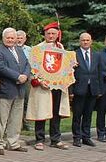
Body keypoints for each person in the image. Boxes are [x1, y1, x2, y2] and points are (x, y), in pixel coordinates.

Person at [27, 22, 73, 150]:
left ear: (57, 34)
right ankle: (39, 139)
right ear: (45, 34)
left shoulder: (60, 48)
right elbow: (33, 67)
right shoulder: (37, 49)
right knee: (41, 112)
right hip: (44, 86)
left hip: (57, 86)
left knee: (56, 112)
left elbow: (64, 66)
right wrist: (40, 81)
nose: (51, 36)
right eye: (49, 33)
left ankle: (55, 139)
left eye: (53, 33)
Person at [0, 27, 31, 155]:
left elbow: (27, 64)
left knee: (16, 118)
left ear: (16, 39)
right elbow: (1, 67)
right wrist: (17, 76)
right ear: (3, 38)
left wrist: (25, 76)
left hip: (20, 89)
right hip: (6, 89)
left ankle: (13, 143)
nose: (10, 40)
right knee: (1, 118)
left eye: (12, 38)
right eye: (7, 38)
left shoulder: (20, 50)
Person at [70, 32, 103, 147]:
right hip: (79, 89)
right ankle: (77, 137)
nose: (85, 42)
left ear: (91, 41)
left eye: (87, 40)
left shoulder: (97, 55)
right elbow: (70, 74)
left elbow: (99, 73)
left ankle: (86, 136)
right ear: (80, 41)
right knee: (77, 115)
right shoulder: (74, 54)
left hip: (92, 89)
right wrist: (71, 91)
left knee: (88, 114)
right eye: (83, 40)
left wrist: (99, 90)